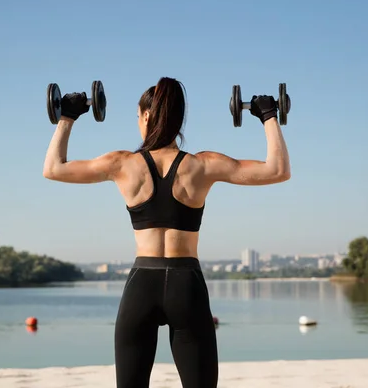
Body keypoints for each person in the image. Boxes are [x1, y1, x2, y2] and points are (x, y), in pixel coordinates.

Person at [42, 77, 291, 388]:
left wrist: (67, 116)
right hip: (186, 285)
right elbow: (278, 171)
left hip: (141, 284)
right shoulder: (203, 165)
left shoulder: (123, 164)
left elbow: (53, 168)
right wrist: (268, 116)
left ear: (147, 116)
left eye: (137, 116)